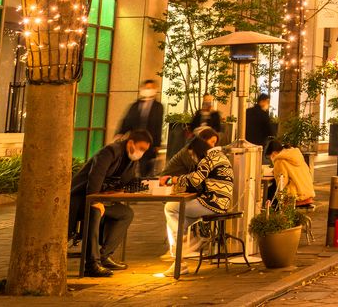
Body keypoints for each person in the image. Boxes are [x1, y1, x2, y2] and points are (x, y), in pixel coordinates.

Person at [69, 129, 153, 277]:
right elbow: (95, 176)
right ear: (131, 143)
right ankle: (92, 264)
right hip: (81, 198)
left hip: (101, 199)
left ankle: (105, 256)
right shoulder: (110, 151)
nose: (141, 153)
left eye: (144, 150)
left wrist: (151, 184)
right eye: (140, 148)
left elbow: (129, 180)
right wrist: (95, 200)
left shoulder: (132, 160)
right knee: (95, 211)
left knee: (125, 213)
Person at [162, 131, 235, 260]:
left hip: (212, 202)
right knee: (178, 222)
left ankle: (183, 244)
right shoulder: (220, 156)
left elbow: (195, 179)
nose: (192, 157)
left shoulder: (208, 158)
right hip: (221, 203)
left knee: (170, 207)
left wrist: (172, 180)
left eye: (192, 154)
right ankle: (180, 256)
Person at [116, 79, 164, 176]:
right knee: (130, 163)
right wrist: (120, 133)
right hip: (134, 140)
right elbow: (127, 121)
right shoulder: (135, 105)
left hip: (149, 142)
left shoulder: (158, 107)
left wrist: (157, 144)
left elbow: (158, 126)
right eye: (146, 88)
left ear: (155, 90)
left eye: (151, 88)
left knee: (145, 167)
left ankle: (143, 181)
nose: (148, 90)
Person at [267, 138, 315, 203]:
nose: (271, 159)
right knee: (272, 188)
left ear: (274, 153)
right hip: (308, 192)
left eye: (270, 157)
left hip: (296, 195)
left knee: (270, 193)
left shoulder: (279, 160)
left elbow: (281, 183)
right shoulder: (295, 155)